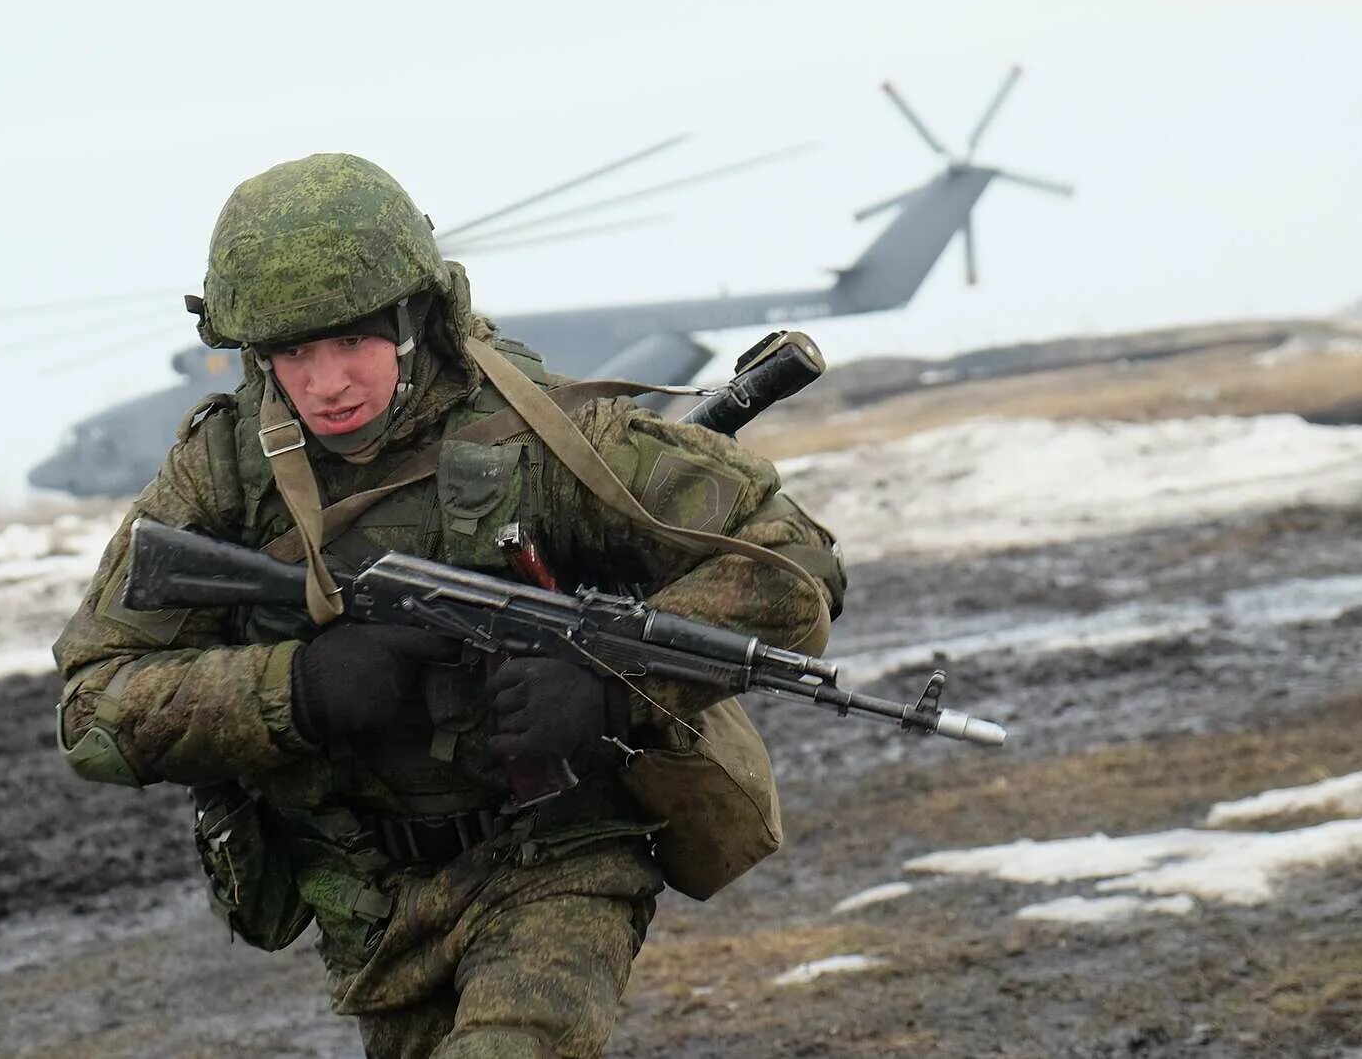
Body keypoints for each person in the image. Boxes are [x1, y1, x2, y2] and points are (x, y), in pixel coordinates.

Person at [54, 153, 841, 1058]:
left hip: (559, 855)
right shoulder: (224, 472)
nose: (327, 383)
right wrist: (296, 688)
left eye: (351, 341)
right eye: (293, 354)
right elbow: (93, 709)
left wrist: (609, 683)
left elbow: (796, 569)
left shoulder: (546, 433)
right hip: (370, 900)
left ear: (412, 319)